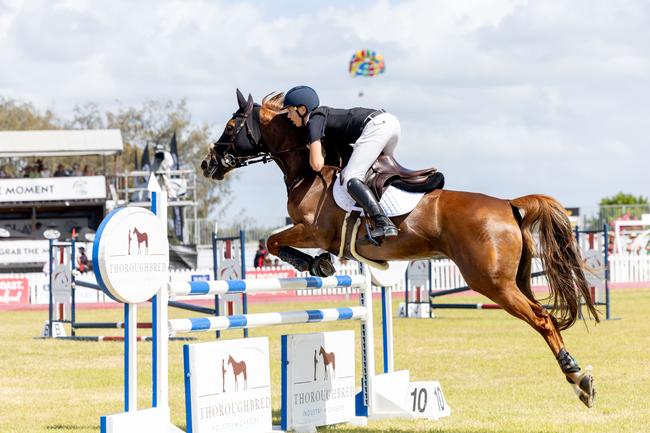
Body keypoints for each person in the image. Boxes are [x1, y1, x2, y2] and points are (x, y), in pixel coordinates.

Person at [282, 85, 398, 240]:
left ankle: (383, 223)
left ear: (302, 109)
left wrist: (310, 148)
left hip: (376, 126)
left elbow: (317, 164)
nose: (288, 117)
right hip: (388, 123)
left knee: (350, 177)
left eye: (289, 111)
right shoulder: (324, 118)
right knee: (376, 175)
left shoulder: (313, 121)